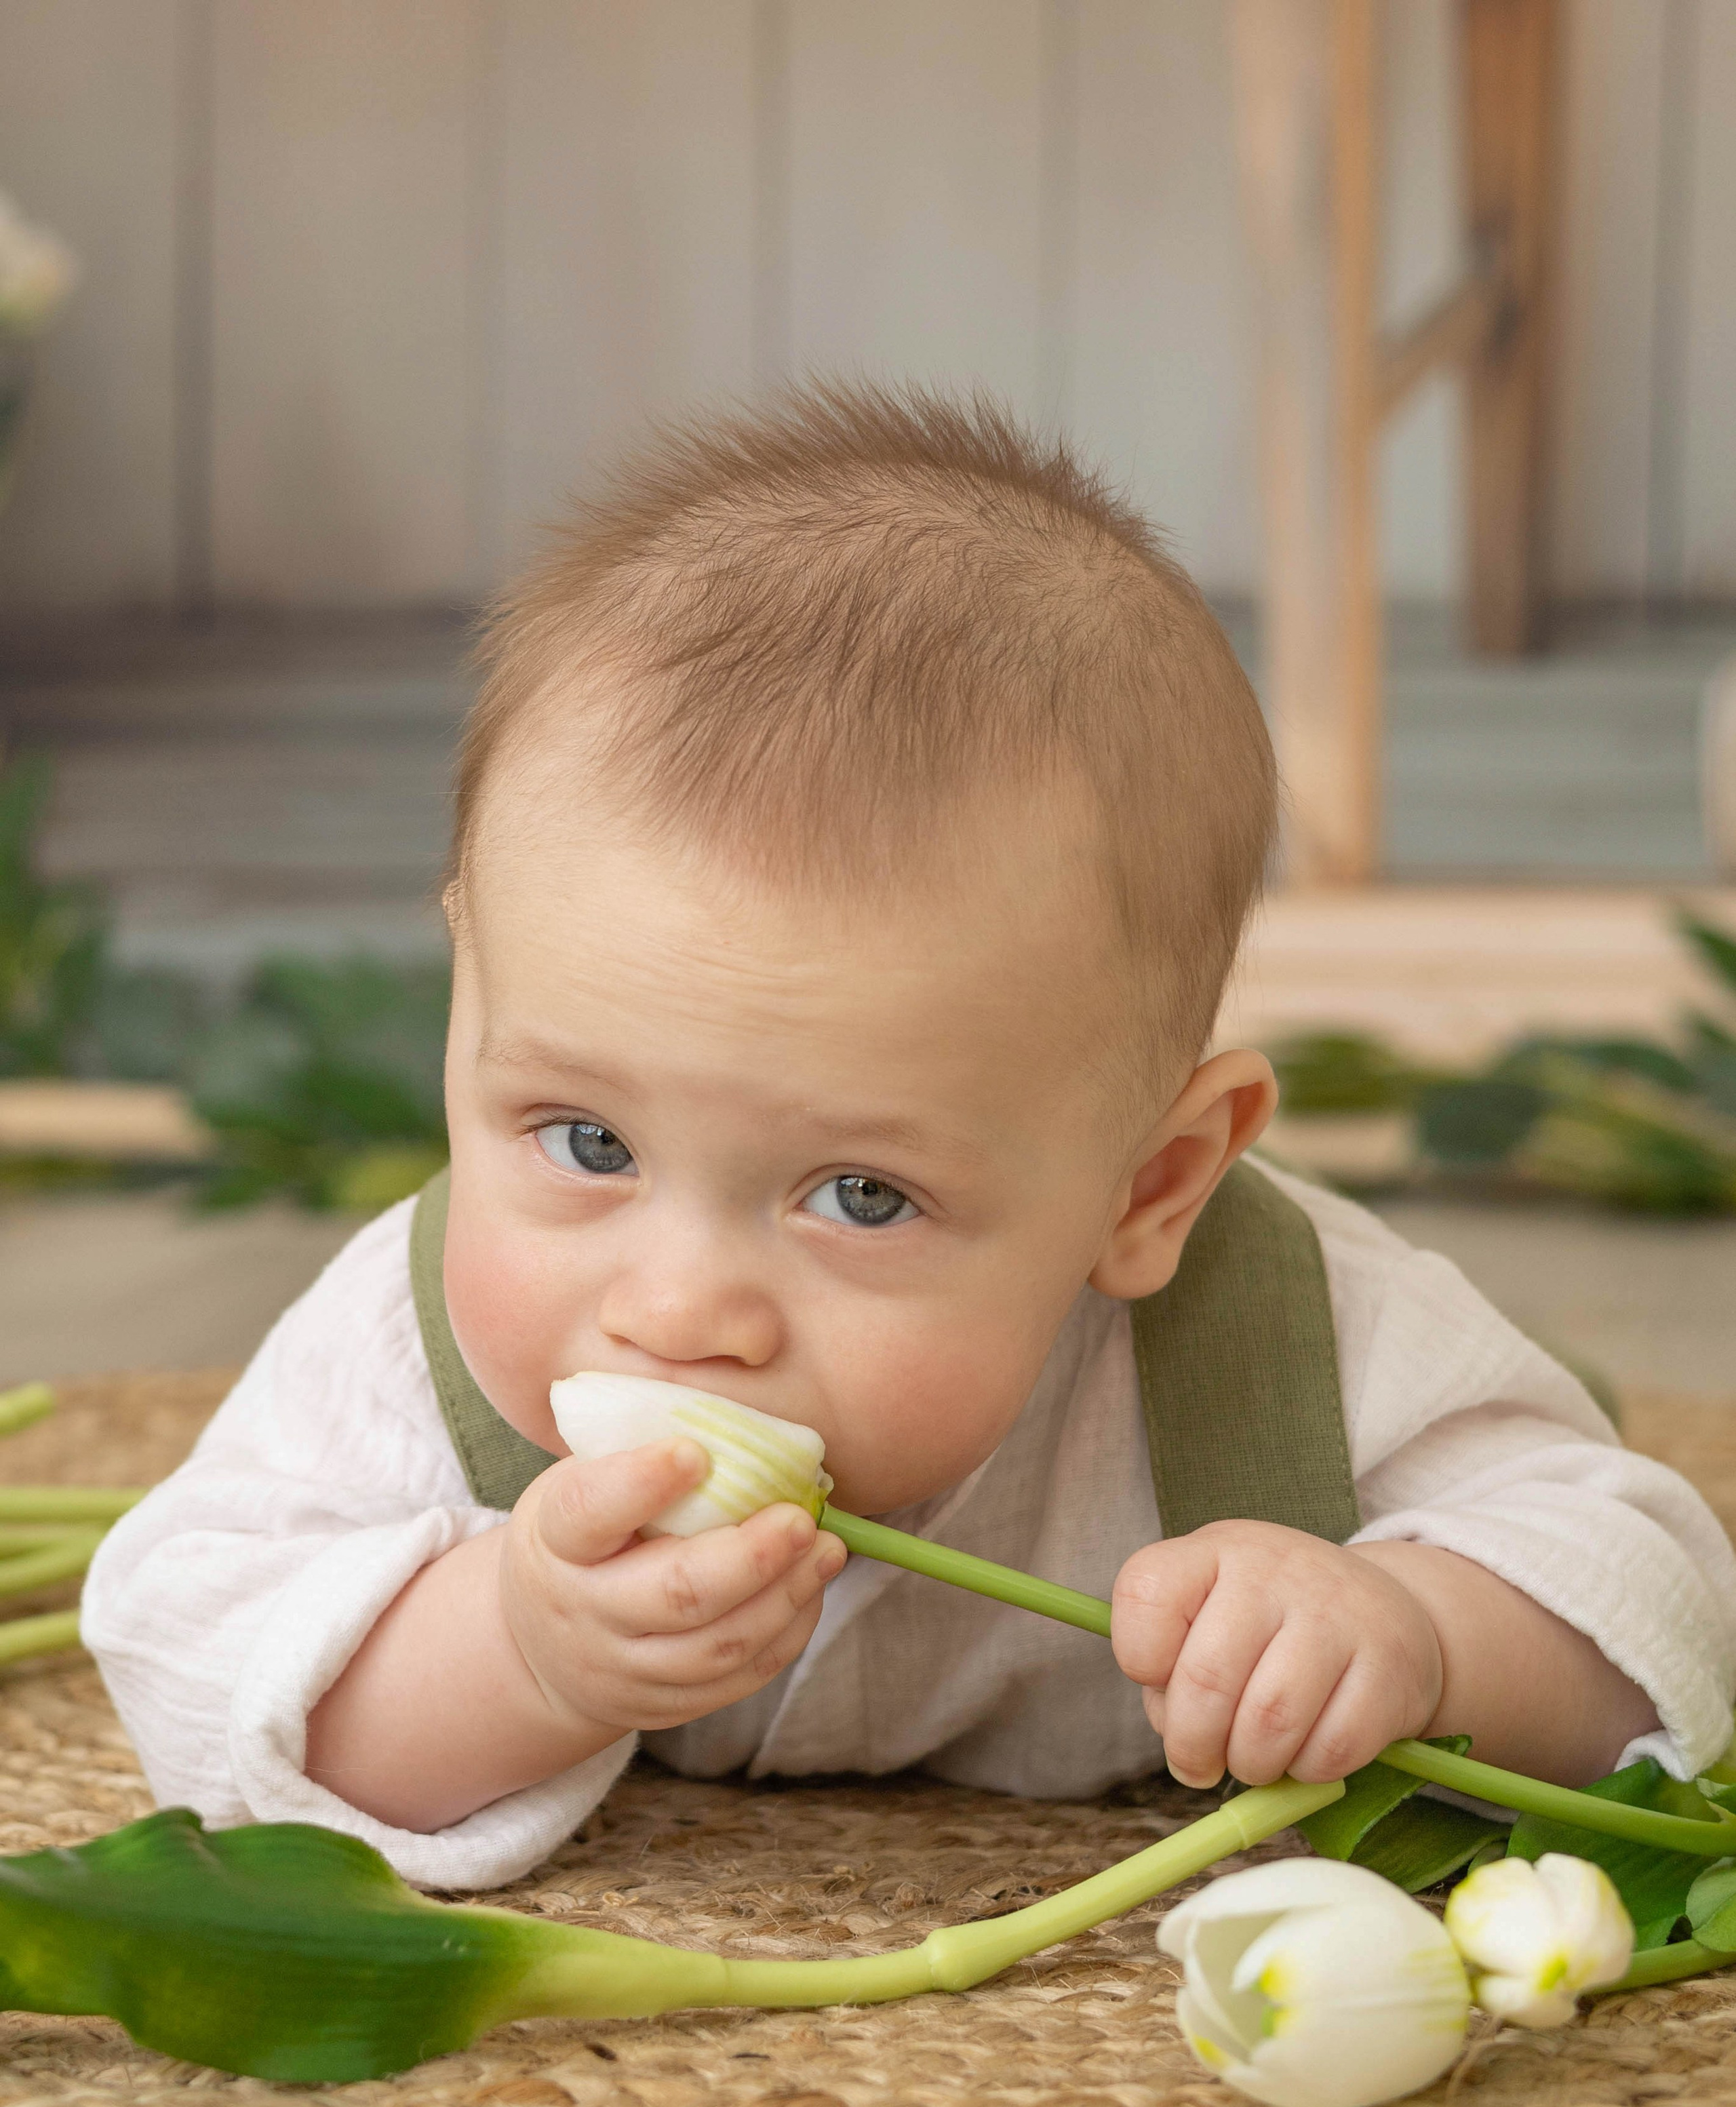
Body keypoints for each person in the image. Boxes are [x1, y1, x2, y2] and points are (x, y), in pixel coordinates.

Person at [82, 385, 1736, 1891]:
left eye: (858, 1194)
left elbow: (1645, 1586)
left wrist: (1419, 1630)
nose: (674, 1310)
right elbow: (192, 1659)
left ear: (1150, 1185)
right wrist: (513, 1655)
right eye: (585, 1141)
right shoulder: (412, 1337)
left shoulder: (1277, 1334)